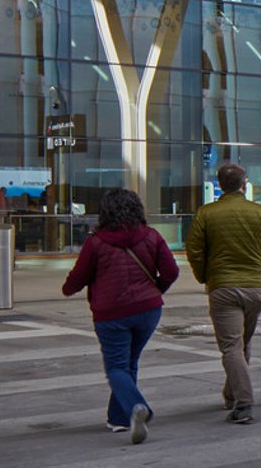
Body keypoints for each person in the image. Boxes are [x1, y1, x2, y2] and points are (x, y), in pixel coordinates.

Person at [61, 188, 178, 444]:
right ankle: (120, 419)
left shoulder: (96, 241)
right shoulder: (152, 236)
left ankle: (136, 406)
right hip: (148, 311)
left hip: (111, 313)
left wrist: (67, 289)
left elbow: (79, 277)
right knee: (129, 363)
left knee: (116, 367)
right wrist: (154, 291)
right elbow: (171, 271)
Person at [185, 163, 261, 426]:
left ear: (219, 185)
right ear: (244, 184)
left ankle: (245, 402)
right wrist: (258, 273)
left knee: (230, 347)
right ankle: (231, 394)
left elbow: (194, 251)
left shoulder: (206, 213)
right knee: (241, 345)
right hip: (255, 289)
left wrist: (206, 276)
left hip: (223, 287)